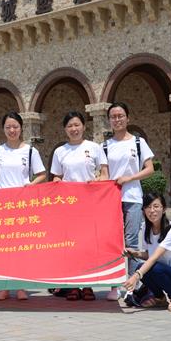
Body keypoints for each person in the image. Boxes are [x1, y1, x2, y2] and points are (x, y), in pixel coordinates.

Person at [0, 111, 47, 301]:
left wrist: (31, 185)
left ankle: (21, 286)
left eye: (15, 127)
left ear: (21, 128)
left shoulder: (30, 151)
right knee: (3, 248)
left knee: (21, 247)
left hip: (23, 205)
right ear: (3, 129)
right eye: (8, 127)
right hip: (3, 206)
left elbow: (42, 174)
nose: (12, 130)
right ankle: (4, 287)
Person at [50, 111, 108, 301]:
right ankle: (73, 285)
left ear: (84, 126)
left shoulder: (94, 147)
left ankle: (89, 285)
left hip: (90, 205)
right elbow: (56, 177)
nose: (74, 129)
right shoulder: (60, 151)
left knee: (89, 245)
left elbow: (105, 174)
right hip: (69, 207)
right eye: (70, 126)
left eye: (77, 125)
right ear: (65, 129)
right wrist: (58, 182)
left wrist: (97, 182)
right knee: (71, 246)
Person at [103, 102, 154, 301]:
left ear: (128, 118)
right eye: (113, 116)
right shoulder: (105, 146)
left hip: (133, 198)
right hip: (111, 200)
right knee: (113, 242)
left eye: (120, 116)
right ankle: (114, 285)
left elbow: (149, 169)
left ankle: (131, 286)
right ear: (109, 121)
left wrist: (129, 178)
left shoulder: (138, 142)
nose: (117, 119)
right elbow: (104, 173)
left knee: (131, 241)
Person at [123, 193, 171, 312]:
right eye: (148, 207)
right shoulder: (145, 228)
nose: (152, 211)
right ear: (144, 210)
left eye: (156, 206)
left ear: (164, 209)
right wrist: (135, 253)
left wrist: (135, 276)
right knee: (141, 266)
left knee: (153, 268)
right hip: (163, 273)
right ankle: (159, 297)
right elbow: (149, 254)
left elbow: (154, 258)